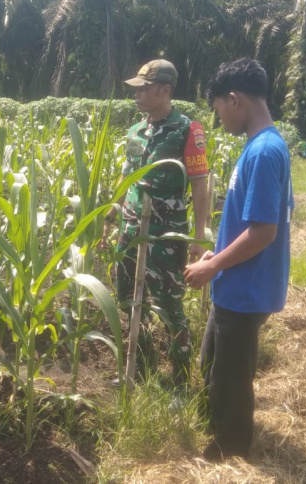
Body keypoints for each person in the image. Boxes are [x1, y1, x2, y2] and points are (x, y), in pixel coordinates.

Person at [184, 58, 294, 461]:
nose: (219, 120)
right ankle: (221, 428)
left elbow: (265, 231)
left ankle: (230, 450)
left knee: (231, 376)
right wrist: (221, 255)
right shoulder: (263, 145)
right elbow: (256, 220)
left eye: (218, 111)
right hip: (236, 282)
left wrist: (213, 265)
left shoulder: (264, 152)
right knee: (214, 361)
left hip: (244, 289)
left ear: (235, 100)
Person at [100, 59, 209, 388]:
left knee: (170, 306)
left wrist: (197, 237)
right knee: (128, 298)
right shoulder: (135, 131)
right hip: (132, 231)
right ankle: (142, 369)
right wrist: (110, 214)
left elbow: (200, 185)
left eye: (144, 89)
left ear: (165, 90)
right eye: (136, 89)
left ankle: (178, 383)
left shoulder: (188, 130)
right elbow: (127, 174)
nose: (137, 95)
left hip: (167, 234)